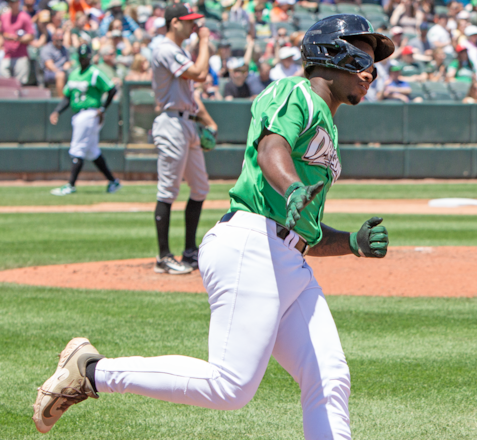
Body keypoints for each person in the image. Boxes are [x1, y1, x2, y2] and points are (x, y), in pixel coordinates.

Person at [32, 14, 392, 440]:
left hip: (287, 262)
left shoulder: (327, 123)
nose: (371, 72)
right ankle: (93, 371)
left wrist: (351, 242)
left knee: (330, 378)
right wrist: (293, 185)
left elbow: (304, 231)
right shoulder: (294, 92)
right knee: (230, 387)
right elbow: (271, 147)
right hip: (251, 246)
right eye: (362, 59)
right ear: (330, 54)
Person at [148, 4, 218, 275]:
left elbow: (191, 94)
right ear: (174, 22)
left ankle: (189, 251)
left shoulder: (177, 51)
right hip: (171, 124)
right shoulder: (164, 49)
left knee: (200, 188)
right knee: (168, 190)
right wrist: (204, 42)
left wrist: (207, 121)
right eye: (188, 22)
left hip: (187, 122)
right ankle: (163, 257)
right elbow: (200, 74)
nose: (193, 26)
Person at [48, 44, 120, 197]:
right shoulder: (74, 74)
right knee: (92, 151)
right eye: (81, 58)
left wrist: (103, 108)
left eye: (85, 58)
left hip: (90, 113)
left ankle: (71, 185)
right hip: (78, 114)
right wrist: (57, 111)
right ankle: (113, 181)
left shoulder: (94, 73)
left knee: (77, 148)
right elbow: (68, 97)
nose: (83, 60)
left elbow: (112, 89)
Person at [0, 0, 34, 84]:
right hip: (7, 55)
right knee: (5, 83)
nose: (11, 4)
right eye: (10, 2)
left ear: (18, 2)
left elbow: (31, 36)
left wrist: (16, 38)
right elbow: (1, 34)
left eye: (13, 2)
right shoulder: (4, 17)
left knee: (19, 84)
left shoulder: (24, 17)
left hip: (21, 55)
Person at [39, 29, 71, 97]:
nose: (60, 38)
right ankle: (61, 100)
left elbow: (68, 61)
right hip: (49, 72)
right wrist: (60, 71)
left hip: (63, 71)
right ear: (53, 37)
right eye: (58, 35)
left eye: (62, 36)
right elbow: (49, 65)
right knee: (60, 75)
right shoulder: (47, 49)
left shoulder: (65, 49)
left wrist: (68, 64)